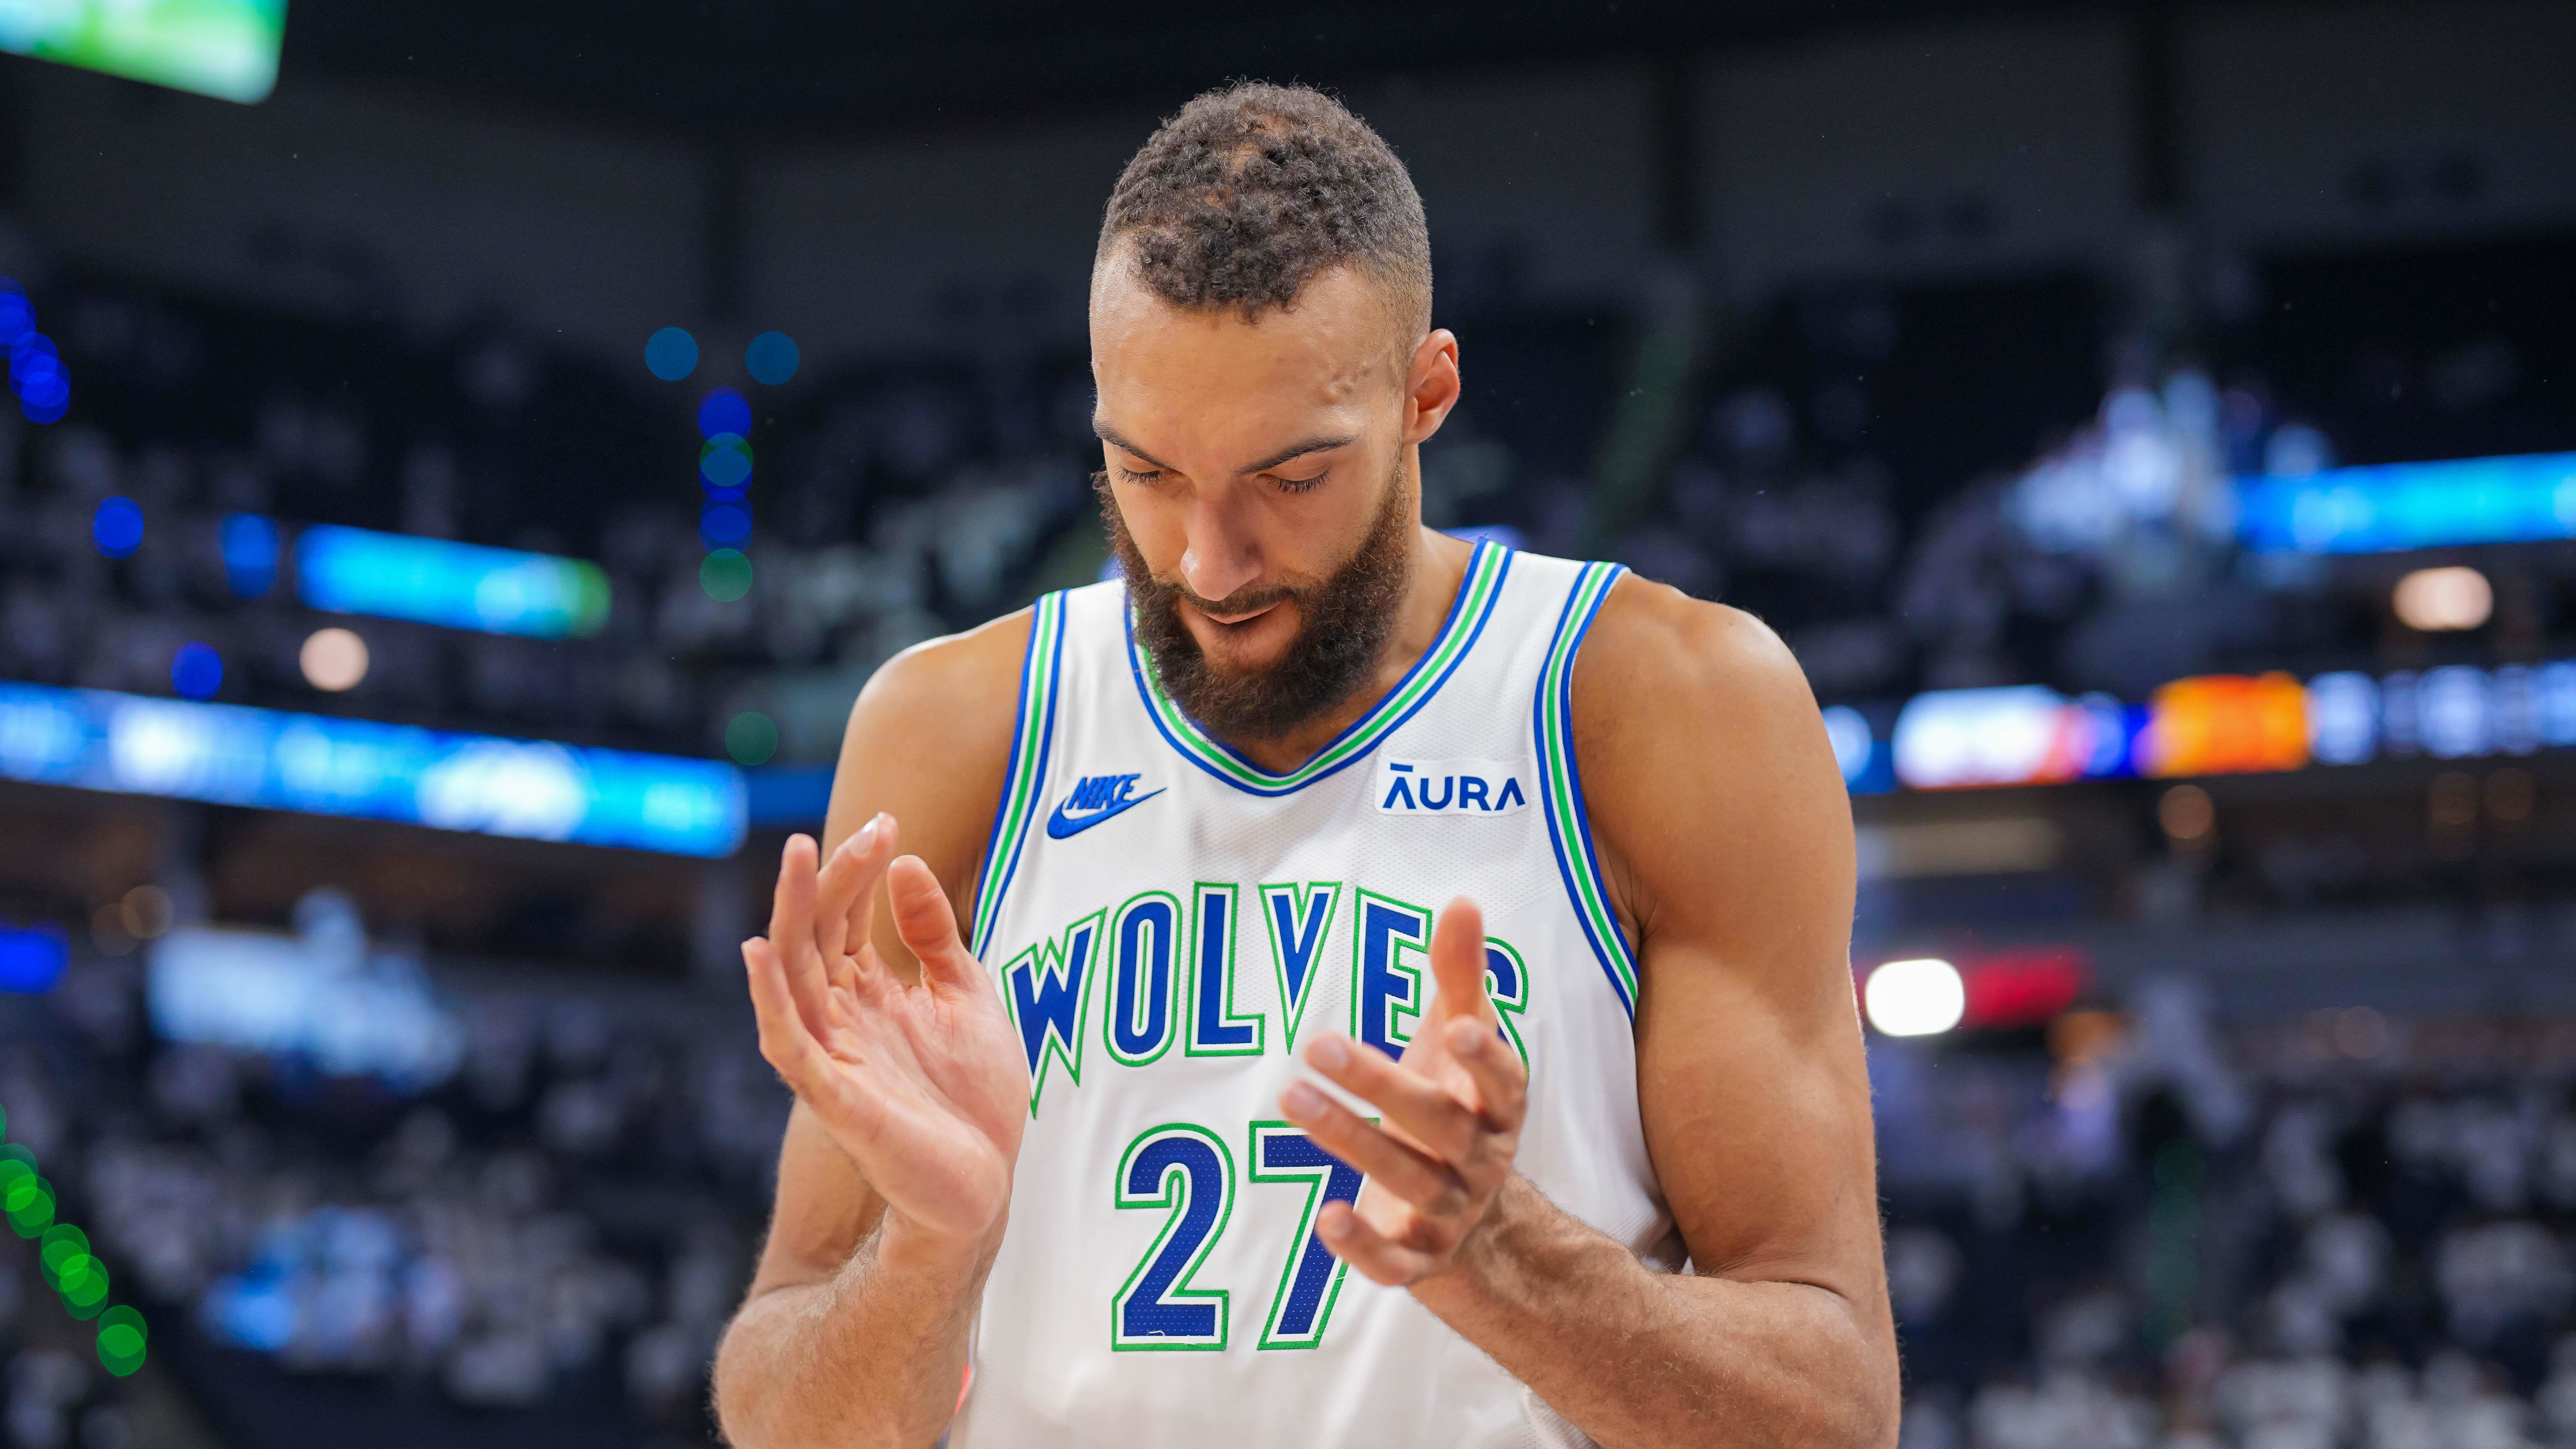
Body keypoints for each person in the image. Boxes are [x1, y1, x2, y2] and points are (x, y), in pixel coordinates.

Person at [713, 81, 1896, 1449]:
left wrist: (1499, 1257)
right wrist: (928, 1249)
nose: (1210, 565)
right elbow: (788, 1418)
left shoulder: (1657, 703)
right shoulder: (956, 730)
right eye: (1148, 475)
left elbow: (1832, 1406)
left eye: (1290, 477)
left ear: (1425, 396)